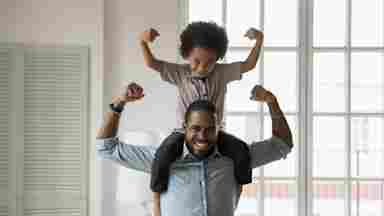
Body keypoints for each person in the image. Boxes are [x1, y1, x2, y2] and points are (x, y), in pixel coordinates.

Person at [97, 82, 293, 216]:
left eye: (209, 130)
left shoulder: (235, 157)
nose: (202, 136)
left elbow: (282, 144)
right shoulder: (161, 157)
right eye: (196, 129)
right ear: (184, 128)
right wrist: (118, 104)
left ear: (219, 129)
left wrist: (271, 102)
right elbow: (106, 147)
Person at [139, 21, 264, 215]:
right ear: (186, 54)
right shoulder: (180, 73)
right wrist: (143, 43)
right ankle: (157, 202)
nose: (202, 67)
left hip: (215, 133)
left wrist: (259, 41)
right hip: (183, 133)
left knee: (240, 151)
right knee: (162, 155)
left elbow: (249, 65)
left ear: (218, 59)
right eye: (196, 61)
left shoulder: (222, 73)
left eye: (209, 62)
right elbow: (151, 63)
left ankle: (235, 195)